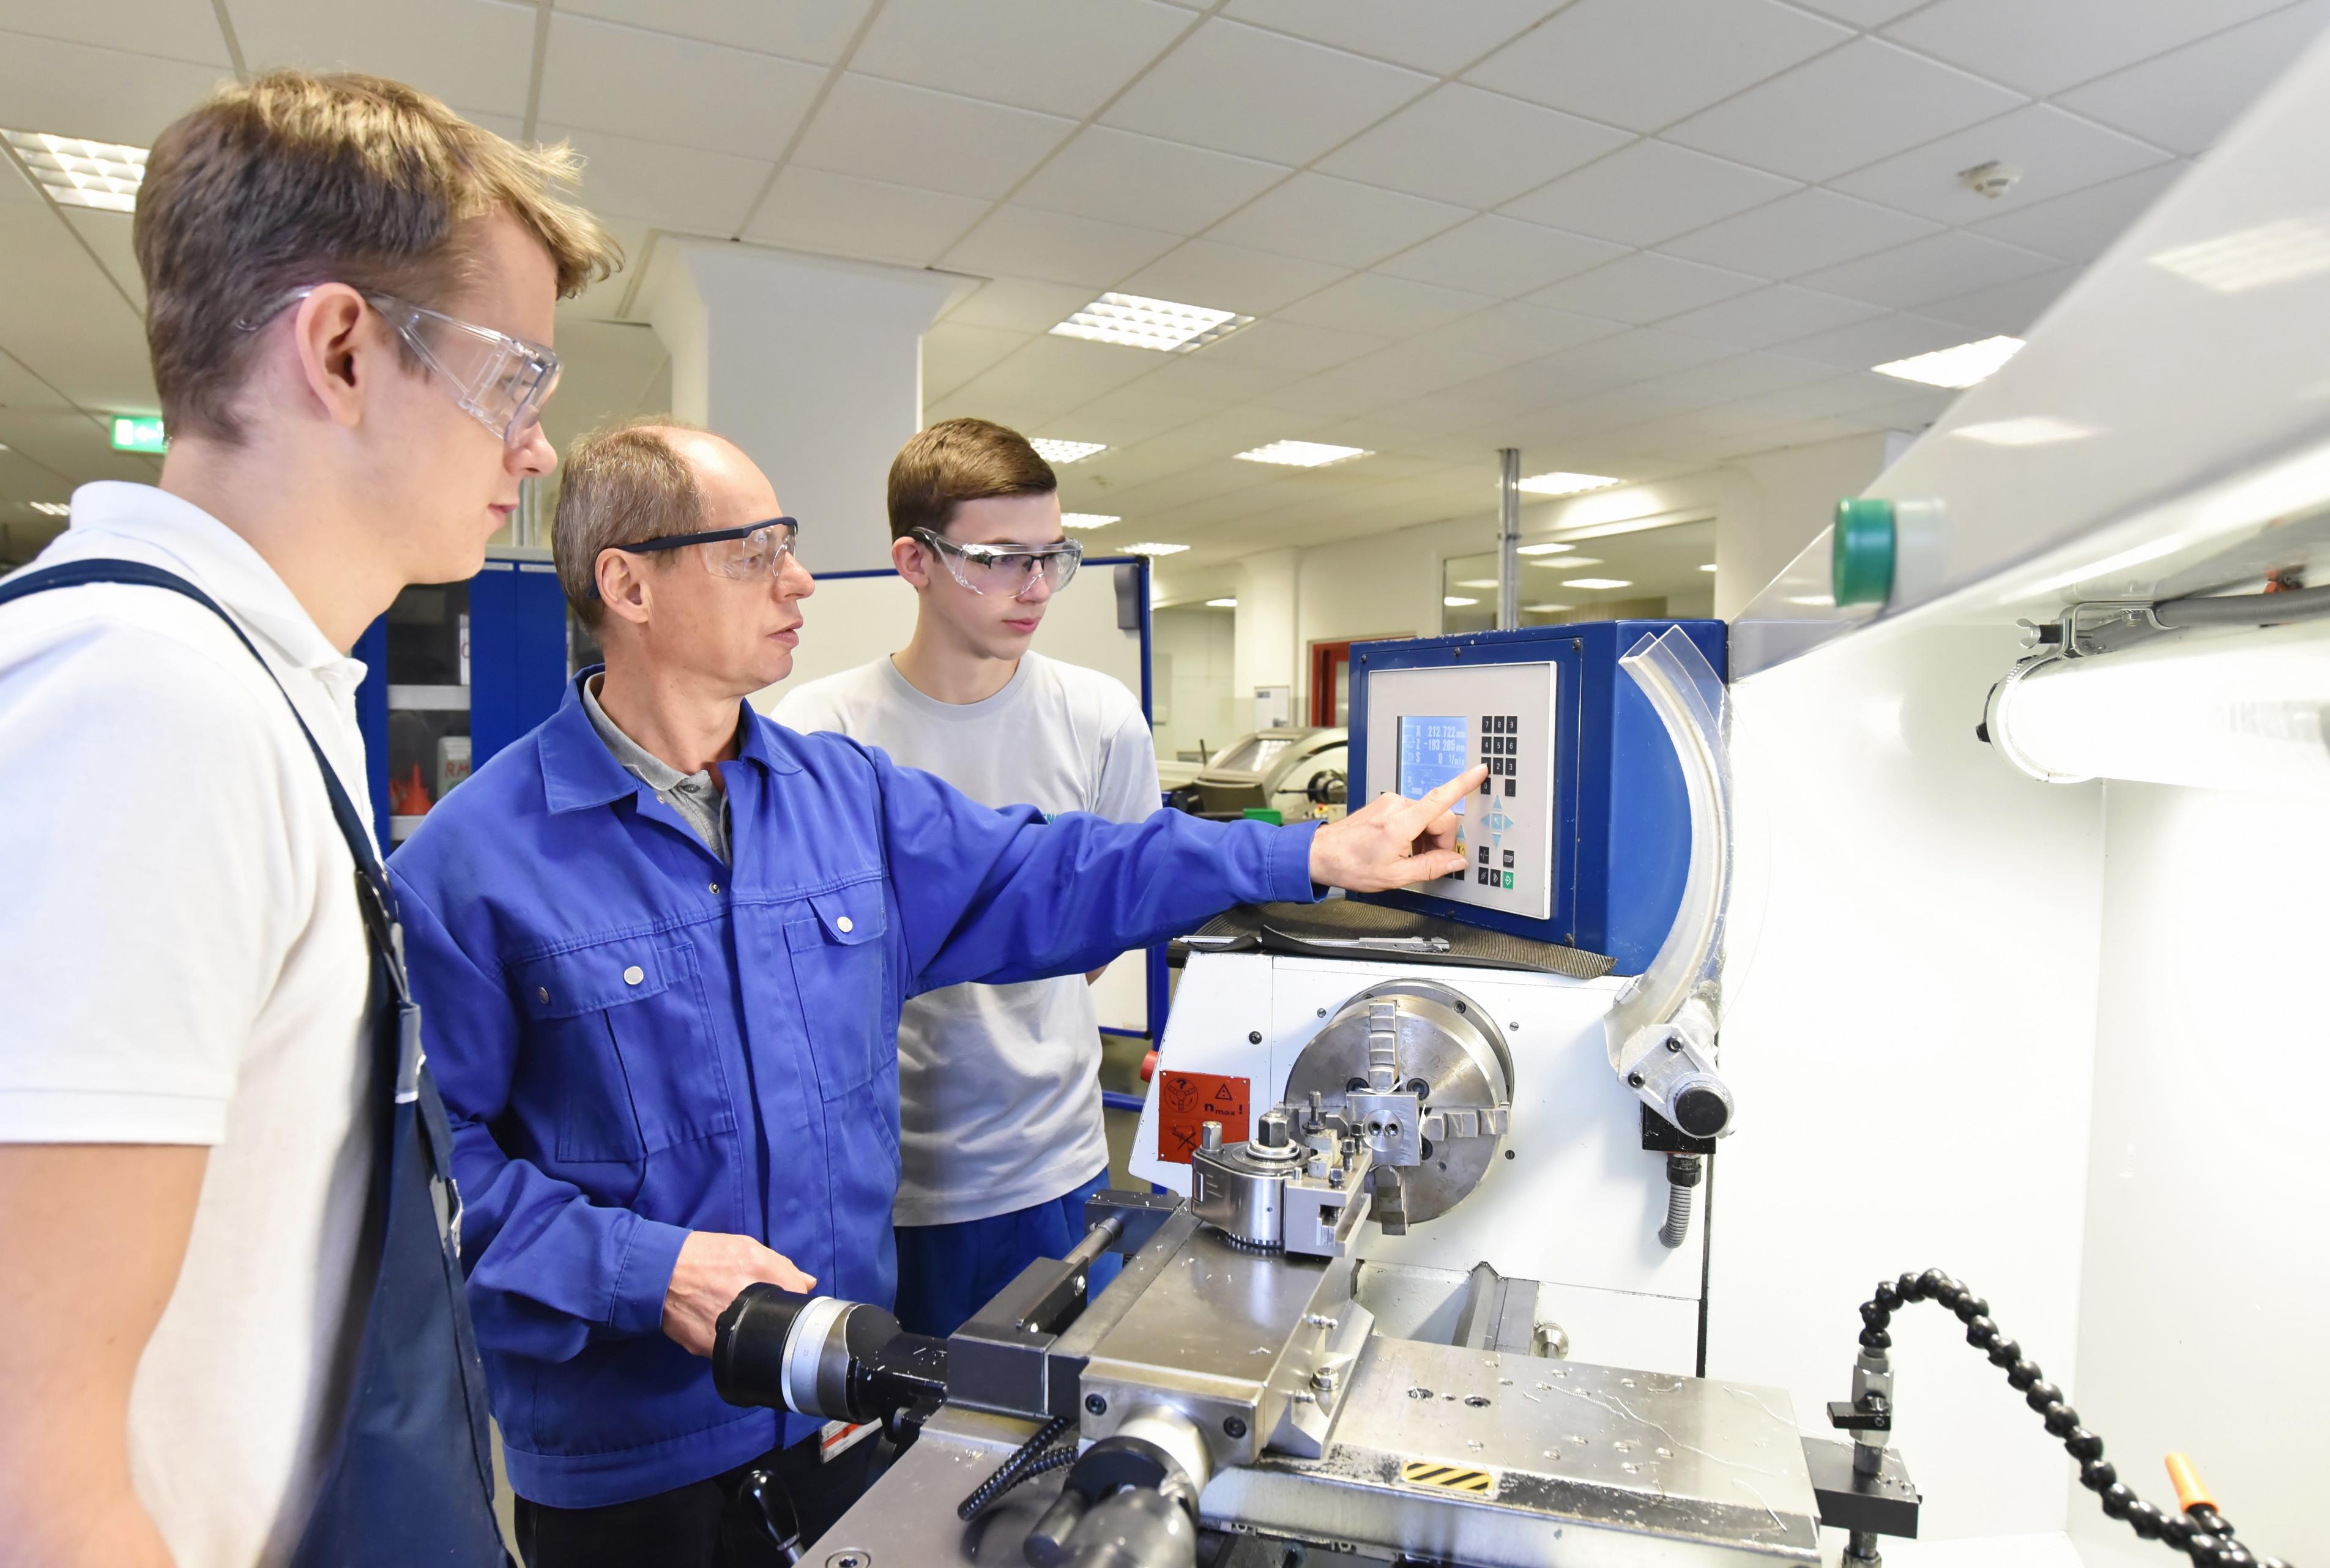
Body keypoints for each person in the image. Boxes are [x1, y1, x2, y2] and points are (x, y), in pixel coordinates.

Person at [387, 418, 1481, 1567]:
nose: (799, 579)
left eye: (791, 544)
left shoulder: (840, 797)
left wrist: (1306, 856)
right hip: (630, 1455)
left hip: (836, 1402)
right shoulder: (472, 865)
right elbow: (427, 1174)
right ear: (629, 583)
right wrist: (640, 1270)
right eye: (754, 552)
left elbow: (1059, 867)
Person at [0, 71, 617, 1568]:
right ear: (343, 349)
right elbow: (35, 1472)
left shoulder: (251, 690)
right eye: (516, 376)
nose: (537, 447)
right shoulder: (146, 707)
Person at [776, 418, 1155, 1338]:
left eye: (1051, 557)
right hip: (878, 1187)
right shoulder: (821, 732)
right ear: (914, 561)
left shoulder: (1100, 720)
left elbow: (1105, 933)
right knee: (889, 1458)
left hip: (1051, 1168)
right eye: (998, 559)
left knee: (1043, 1450)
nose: (1034, 590)